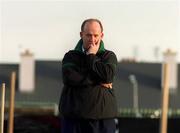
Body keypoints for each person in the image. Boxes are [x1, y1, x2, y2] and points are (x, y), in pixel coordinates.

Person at [59, 18, 118, 133]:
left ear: (102, 35)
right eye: (88, 35)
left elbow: (108, 76)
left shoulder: (109, 56)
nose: (92, 40)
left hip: (103, 120)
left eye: (96, 36)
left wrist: (91, 56)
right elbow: (70, 78)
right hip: (73, 120)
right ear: (81, 35)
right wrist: (100, 80)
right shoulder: (70, 56)